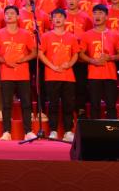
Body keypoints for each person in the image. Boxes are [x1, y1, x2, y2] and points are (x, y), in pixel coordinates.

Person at [0, 5, 37, 141]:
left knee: (26, 103)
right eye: (7, 13)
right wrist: (4, 61)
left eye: (12, 13)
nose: (9, 15)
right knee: (6, 104)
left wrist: (24, 59)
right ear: (4, 17)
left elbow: (34, 52)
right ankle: (6, 131)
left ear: (18, 16)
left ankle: (28, 131)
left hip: (23, 74)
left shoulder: (26, 34)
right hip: (6, 74)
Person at [40, 9, 80, 141]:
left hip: (68, 76)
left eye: (60, 17)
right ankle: (53, 130)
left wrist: (69, 64)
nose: (57, 19)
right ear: (51, 20)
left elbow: (75, 54)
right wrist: (52, 66)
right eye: (55, 17)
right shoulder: (46, 36)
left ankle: (68, 131)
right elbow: (40, 53)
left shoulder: (71, 37)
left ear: (65, 19)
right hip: (51, 75)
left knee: (68, 104)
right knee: (53, 104)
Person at [79, 3, 119, 119]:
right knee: (94, 105)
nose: (97, 16)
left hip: (110, 75)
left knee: (111, 105)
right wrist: (92, 61)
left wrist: (110, 58)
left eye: (100, 13)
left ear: (106, 16)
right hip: (93, 75)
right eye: (95, 13)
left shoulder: (115, 34)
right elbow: (81, 54)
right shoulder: (86, 35)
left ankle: (112, 128)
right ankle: (95, 129)